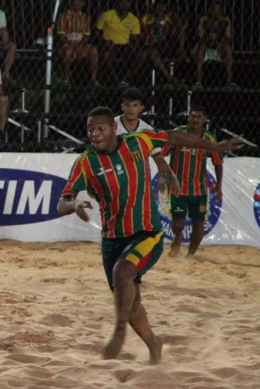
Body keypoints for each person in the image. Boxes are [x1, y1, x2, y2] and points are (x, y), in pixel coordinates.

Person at [57, 106, 241, 365]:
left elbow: (174, 138)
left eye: (101, 128)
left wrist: (217, 148)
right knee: (130, 300)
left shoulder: (138, 142)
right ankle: (154, 345)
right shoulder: (86, 163)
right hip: (112, 238)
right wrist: (73, 206)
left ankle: (119, 332)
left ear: (114, 128)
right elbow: (62, 202)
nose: (95, 134)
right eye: (90, 129)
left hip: (147, 232)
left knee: (122, 273)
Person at [164, 105, 223, 258]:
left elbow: (218, 163)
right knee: (178, 225)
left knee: (199, 224)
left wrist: (219, 186)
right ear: (188, 117)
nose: (195, 119)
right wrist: (164, 177)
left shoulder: (209, 138)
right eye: (193, 116)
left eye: (199, 117)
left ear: (205, 119)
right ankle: (177, 238)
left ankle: (190, 256)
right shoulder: (177, 134)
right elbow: (161, 154)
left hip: (199, 189)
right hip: (178, 188)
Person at [115, 88, 180, 195]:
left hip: (139, 182)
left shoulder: (147, 130)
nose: (131, 109)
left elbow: (158, 158)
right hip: (115, 179)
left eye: (135, 105)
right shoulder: (112, 126)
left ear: (141, 108)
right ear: (122, 106)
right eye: (127, 105)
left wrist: (170, 176)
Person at [95, 0, 141, 86]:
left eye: (127, 2)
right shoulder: (106, 15)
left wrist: (134, 45)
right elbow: (96, 33)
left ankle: (125, 79)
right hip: (109, 44)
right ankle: (116, 80)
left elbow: (135, 38)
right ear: (117, 3)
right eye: (122, 2)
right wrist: (103, 41)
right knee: (106, 54)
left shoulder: (133, 19)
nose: (124, 4)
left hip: (125, 45)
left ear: (130, 4)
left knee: (140, 56)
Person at [56, 0, 99, 86]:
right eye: (74, 1)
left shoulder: (85, 17)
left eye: (79, 1)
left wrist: (80, 45)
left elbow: (86, 35)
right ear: (71, 3)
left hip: (81, 44)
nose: (76, 3)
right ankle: (66, 78)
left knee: (94, 50)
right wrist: (71, 45)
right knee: (68, 52)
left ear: (83, 3)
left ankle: (93, 79)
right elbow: (61, 35)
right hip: (68, 43)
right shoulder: (64, 16)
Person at [194, 2, 236, 88]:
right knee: (201, 46)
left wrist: (219, 39)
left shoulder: (225, 20)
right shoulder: (204, 19)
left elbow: (228, 38)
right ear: (210, 10)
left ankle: (229, 82)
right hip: (205, 48)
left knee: (228, 48)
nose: (216, 12)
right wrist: (209, 39)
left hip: (218, 48)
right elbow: (201, 38)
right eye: (214, 9)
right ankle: (198, 82)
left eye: (218, 9)